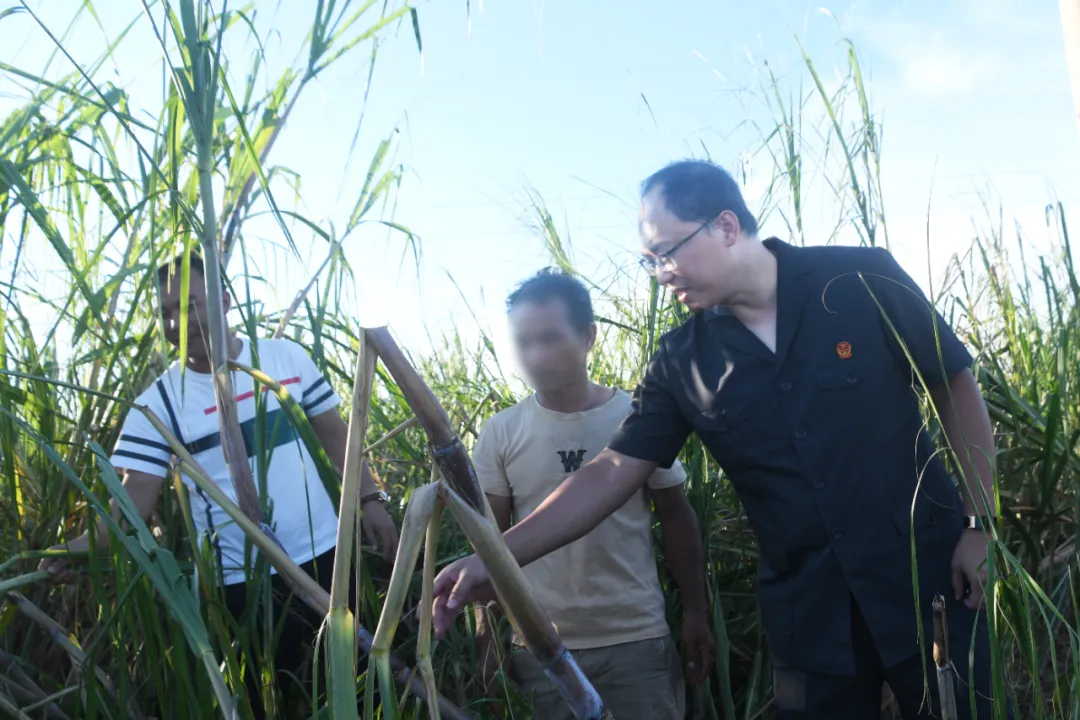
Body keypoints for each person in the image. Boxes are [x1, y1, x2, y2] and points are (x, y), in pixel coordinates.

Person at [431, 160, 1009, 719]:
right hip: (809, 619)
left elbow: (953, 381)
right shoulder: (682, 361)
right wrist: (496, 560)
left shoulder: (860, 277)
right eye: (648, 260)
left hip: (929, 583)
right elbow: (611, 470)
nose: (661, 273)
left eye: (668, 252)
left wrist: (980, 524)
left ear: (726, 226)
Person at [40, 251, 400, 717]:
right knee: (267, 703)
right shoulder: (159, 405)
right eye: (166, 312)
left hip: (328, 559)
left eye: (189, 305)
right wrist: (82, 547)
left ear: (225, 298)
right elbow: (132, 508)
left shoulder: (283, 358)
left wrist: (371, 501)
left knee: (357, 689)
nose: (177, 322)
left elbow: (336, 435)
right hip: (241, 585)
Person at [471, 269, 714, 719]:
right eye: (523, 342)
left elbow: (678, 519)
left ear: (589, 336)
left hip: (636, 640)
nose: (535, 355)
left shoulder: (636, 418)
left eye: (549, 338)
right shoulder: (502, 432)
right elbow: (489, 543)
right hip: (539, 644)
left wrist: (696, 611)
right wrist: (490, 639)